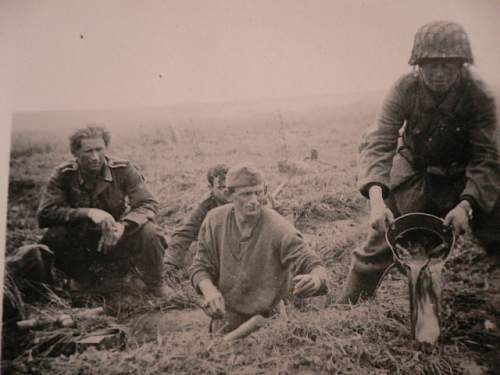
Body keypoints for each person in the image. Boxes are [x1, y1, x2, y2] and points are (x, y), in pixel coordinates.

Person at [340, 20, 500, 304]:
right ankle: (345, 312)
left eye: (447, 65)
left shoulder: (479, 95)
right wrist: (377, 201)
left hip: (466, 177)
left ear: (461, 65)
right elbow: (379, 141)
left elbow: (487, 156)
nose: (438, 73)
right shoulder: (405, 89)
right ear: (418, 65)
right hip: (417, 174)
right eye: (430, 65)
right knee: (380, 244)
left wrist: (467, 205)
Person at [189, 163, 328, 332]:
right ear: (228, 195)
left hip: (268, 323)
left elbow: (314, 265)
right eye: (246, 194)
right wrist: (209, 291)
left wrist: (315, 280)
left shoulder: (278, 227)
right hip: (225, 319)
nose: (254, 201)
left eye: (258, 193)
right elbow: (200, 265)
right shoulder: (214, 220)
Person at [37, 126, 169, 297]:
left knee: (151, 231)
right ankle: (81, 280)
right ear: (75, 153)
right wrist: (89, 213)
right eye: (88, 151)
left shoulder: (123, 170)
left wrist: (124, 226)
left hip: (117, 238)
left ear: (106, 148)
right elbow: (45, 213)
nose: (95, 157)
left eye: (99, 150)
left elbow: (147, 203)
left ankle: (155, 283)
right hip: (81, 243)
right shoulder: (64, 174)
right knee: (56, 235)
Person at [164, 164, 229, 271]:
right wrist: (170, 262)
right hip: (215, 248)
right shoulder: (205, 206)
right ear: (211, 188)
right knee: (192, 252)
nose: (226, 191)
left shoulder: (241, 200)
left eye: (230, 186)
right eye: (221, 187)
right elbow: (185, 234)